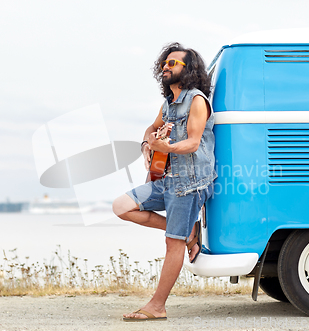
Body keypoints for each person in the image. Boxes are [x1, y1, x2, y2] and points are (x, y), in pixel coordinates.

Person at [112, 42, 217, 321]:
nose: (165, 68)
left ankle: (157, 306)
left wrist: (167, 147)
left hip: (190, 184)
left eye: (173, 63)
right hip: (167, 179)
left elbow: (194, 143)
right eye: (164, 63)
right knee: (121, 206)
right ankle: (188, 233)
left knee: (172, 244)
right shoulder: (168, 103)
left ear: (189, 69)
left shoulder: (196, 100)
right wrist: (148, 144)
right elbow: (151, 128)